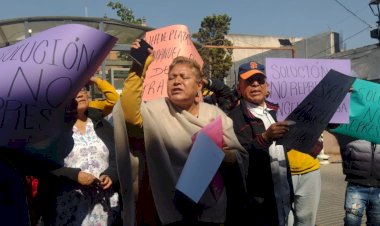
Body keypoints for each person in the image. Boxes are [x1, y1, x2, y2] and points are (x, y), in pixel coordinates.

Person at [117, 39, 248, 226]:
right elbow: (129, 115)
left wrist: (222, 155)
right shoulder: (155, 110)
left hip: (212, 212)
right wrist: (138, 69)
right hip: (169, 212)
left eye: (183, 77)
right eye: (171, 77)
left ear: (199, 86)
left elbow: (240, 157)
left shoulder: (216, 115)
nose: (176, 81)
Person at [35, 86, 120, 225]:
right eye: (74, 91)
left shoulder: (102, 124)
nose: (80, 94)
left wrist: (110, 174)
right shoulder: (53, 130)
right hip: (70, 211)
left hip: (105, 210)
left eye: (83, 90)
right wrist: (75, 176)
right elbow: (44, 166)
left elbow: (117, 157)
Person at [228, 60, 293, 226]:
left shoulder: (278, 111)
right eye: (249, 81)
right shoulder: (231, 119)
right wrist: (265, 138)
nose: (255, 84)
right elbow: (239, 161)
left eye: (260, 80)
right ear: (239, 87)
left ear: (267, 86)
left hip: (283, 198)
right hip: (256, 207)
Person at [331, 132, 380, 226]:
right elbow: (334, 126)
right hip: (356, 186)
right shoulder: (352, 123)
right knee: (352, 222)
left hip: (378, 188)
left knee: (377, 222)